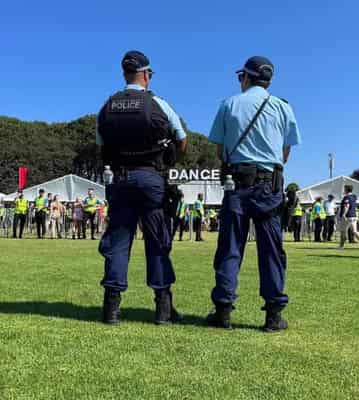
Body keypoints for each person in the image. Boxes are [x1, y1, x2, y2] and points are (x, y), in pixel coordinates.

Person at [207, 55, 301, 331]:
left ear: (246, 77)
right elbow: (286, 152)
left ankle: (223, 310)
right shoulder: (283, 107)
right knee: (271, 249)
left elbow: (219, 149)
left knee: (230, 247)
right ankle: (273, 314)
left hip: (237, 183)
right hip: (270, 183)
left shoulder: (229, 104)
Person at [97, 50, 187, 324]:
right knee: (158, 241)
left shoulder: (108, 105)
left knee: (118, 243)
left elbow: (101, 147)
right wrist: (169, 161)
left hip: (121, 180)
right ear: (146, 74)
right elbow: (182, 139)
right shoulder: (158, 103)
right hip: (151, 179)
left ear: (124, 73)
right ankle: (162, 309)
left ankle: (111, 308)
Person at [337, 185, 359, 250]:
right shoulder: (354, 196)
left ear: (346, 189)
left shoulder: (346, 197)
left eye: (344, 189)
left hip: (347, 216)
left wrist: (343, 214)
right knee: (355, 231)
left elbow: (347, 206)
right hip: (354, 216)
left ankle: (341, 246)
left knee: (343, 231)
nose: (343, 190)